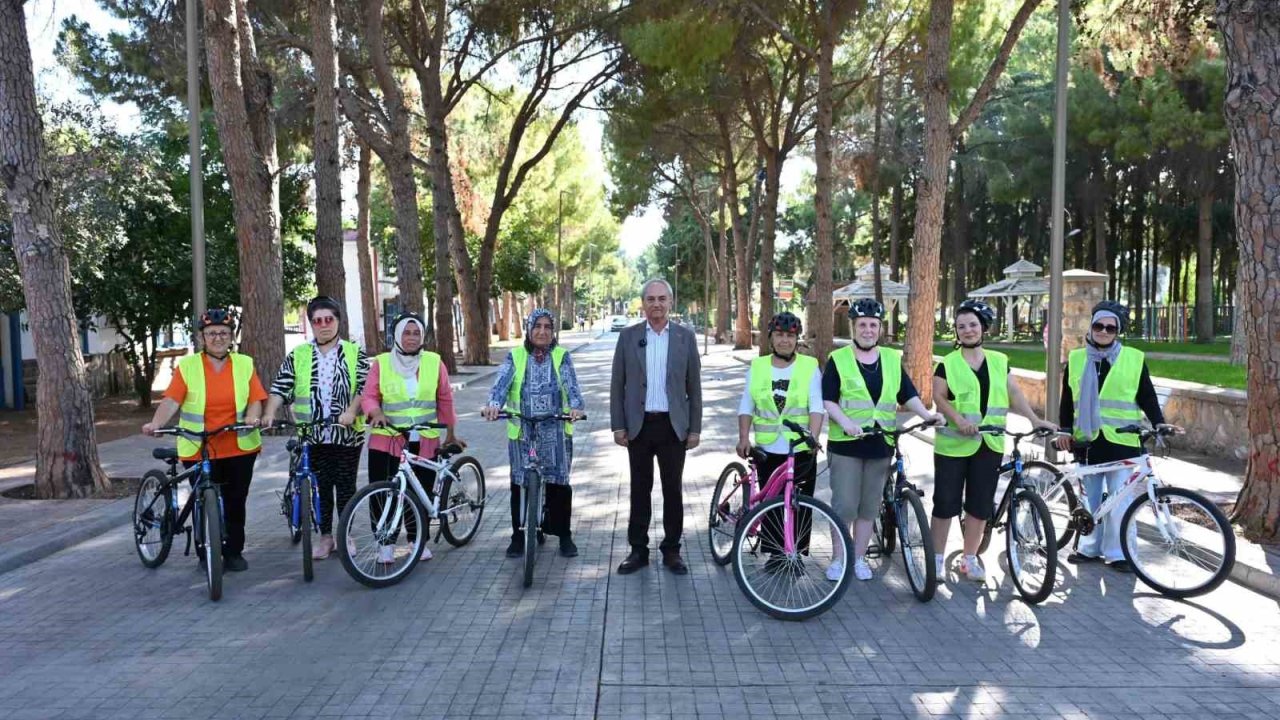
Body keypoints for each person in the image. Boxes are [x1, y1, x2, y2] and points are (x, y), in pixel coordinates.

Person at [932, 300, 1057, 582]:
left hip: (989, 443)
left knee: (979, 506)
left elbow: (1014, 393)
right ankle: (936, 559)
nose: (967, 330)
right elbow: (938, 396)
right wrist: (959, 420)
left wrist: (1034, 420)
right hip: (953, 445)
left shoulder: (1000, 361)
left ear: (983, 328)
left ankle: (969, 559)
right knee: (945, 504)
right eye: (961, 326)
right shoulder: (947, 363)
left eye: (972, 325)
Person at [823, 298, 942, 582]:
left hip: (880, 443)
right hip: (847, 445)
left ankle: (858, 558)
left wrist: (927, 415)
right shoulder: (838, 359)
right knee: (845, 506)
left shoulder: (890, 358)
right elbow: (828, 400)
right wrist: (846, 423)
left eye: (873, 325)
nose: (868, 330)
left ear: (880, 328)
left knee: (868, 507)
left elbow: (907, 394)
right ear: (853, 327)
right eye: (862, 324)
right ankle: (839, 559)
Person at [1054, 300, 1177, 572]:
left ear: (1117, 331)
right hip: (1087, 440)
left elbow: (1147, 396)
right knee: (1091, 500)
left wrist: (1159, 423)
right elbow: (1067, 400)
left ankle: (1119, 553)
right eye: (1098, 326)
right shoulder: (1076, 359)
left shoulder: (1134, 359)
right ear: (1091, 327)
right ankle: (1088, 548)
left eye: (1110, 328)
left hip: (1123, 441)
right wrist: (1064, 430)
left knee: (1120, 503)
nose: (1103, 331)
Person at [142, 308, 266, 572]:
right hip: (199, 445)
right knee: (201, 497)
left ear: (231, 336)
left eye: (223, 333)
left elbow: (255, 398)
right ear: (202, 338)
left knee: (235, 500)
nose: (218, 338)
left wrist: (253, 416)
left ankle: (233, 552)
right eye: (211, 333)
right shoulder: (188, 366)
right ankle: (204, 552)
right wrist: (156, 423)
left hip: (238, 446)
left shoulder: (244, 363)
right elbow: (172, 401)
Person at [262, 296, 370, 560]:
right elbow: (280, 387)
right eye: (318, 321)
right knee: (321, 487)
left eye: (329, 319)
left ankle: (345, 536)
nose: (324, 325)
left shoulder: (354, 352)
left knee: (345, 486)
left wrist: (351, 411)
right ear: (311, 324)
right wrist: (269, 413)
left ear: (338, 321)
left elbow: (364, 387)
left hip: (346, 434)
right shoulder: (299, 355)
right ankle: (326, 538)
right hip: (312, 434)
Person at [610, 278, 703, 575]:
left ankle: (672, 550)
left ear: (670, 302)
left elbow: (694, 386)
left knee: (672, 490)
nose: (657, 304)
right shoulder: (628, 336)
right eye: (651, 299)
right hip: (638, 426)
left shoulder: (685, 337)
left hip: (673, 427)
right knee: (640, 489)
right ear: (643, 304)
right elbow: (617, 384)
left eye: (662, 299)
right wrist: (618, 425)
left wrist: (695, 429)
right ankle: (638, 550)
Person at [481, 309, 586, 558]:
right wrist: (493, 405)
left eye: (547, 327)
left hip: (555, 429)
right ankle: (518, 537)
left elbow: (572, 387)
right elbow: (500, 385)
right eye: (537, 326)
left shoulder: (561, 356)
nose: (542, 331)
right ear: (529, 329)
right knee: (519, 482)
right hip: (523, 430)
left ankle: (564, 535)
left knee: (559, 483)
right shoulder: (515, 356)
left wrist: (576, 407)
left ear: (553, 330)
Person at [361, 313, 464, 564]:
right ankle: (385, 543)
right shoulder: (382, 363)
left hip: (425, 438)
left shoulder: (433, 362)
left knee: (421, 492)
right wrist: (376, 413)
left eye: (416, 333)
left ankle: (416, 540)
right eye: (406, 333)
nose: (412, 338)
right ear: (396, 335)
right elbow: (369, 396)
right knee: (383, 493)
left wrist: (451, 434)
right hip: (388, 439)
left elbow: (445, 399)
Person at [736, 312, 824, 570]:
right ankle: (776, 554)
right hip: (768, 447)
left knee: (800, 502)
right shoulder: (758, 367)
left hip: (800, 448)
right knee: (771, 503)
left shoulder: (809, 366)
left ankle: (795, 553)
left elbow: (816, 407)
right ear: (771, 338)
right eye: (779, 335)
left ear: (797, 339)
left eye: (790, 335)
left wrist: (813, 438)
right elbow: (746, 405)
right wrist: (744, 437)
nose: (785, 340)